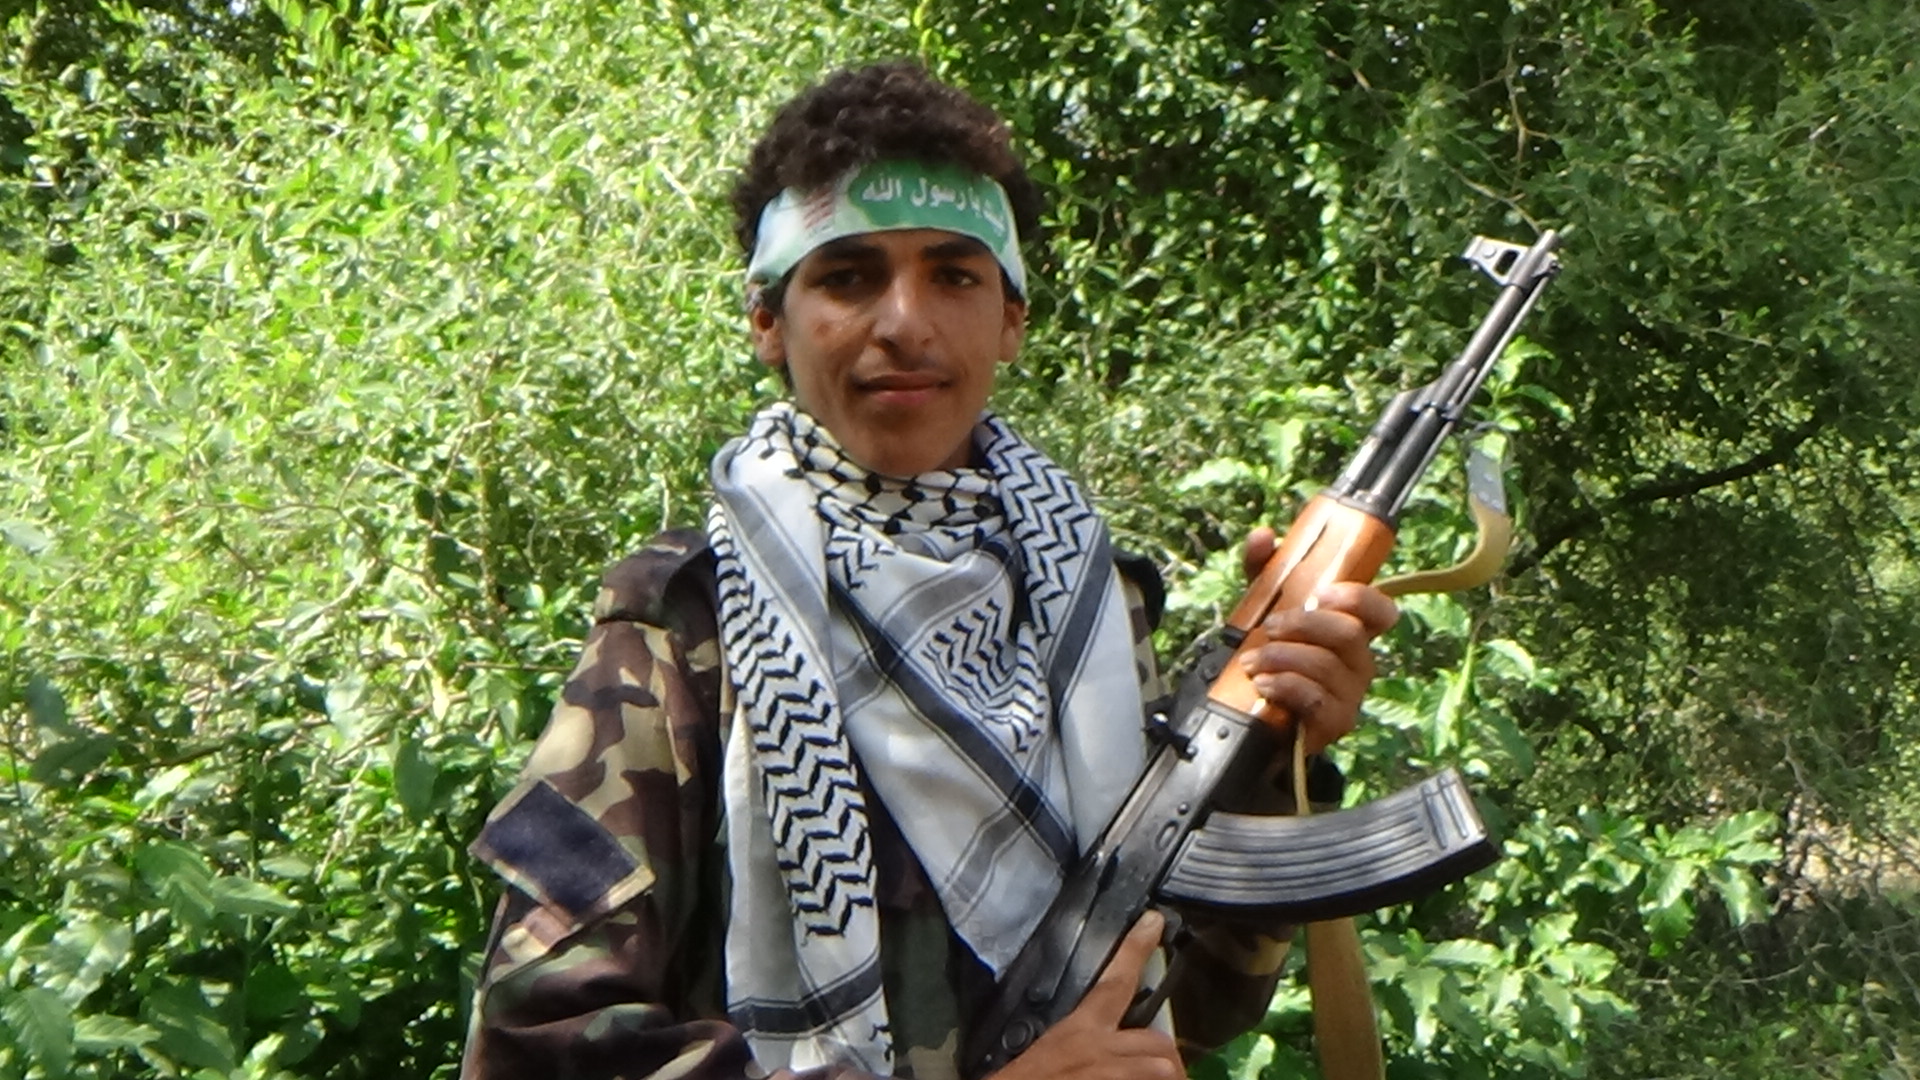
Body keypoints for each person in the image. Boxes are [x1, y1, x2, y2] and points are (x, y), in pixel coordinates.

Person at [461, 60, 1398, 1080]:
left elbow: (1184, 1004)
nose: (905, 322)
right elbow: (537, 1038)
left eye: (954, 275)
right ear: (769, 321)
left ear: (1012, 319)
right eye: (849, 276)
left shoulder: (1085, 610)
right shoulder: (686, 624)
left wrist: (1273, 751)